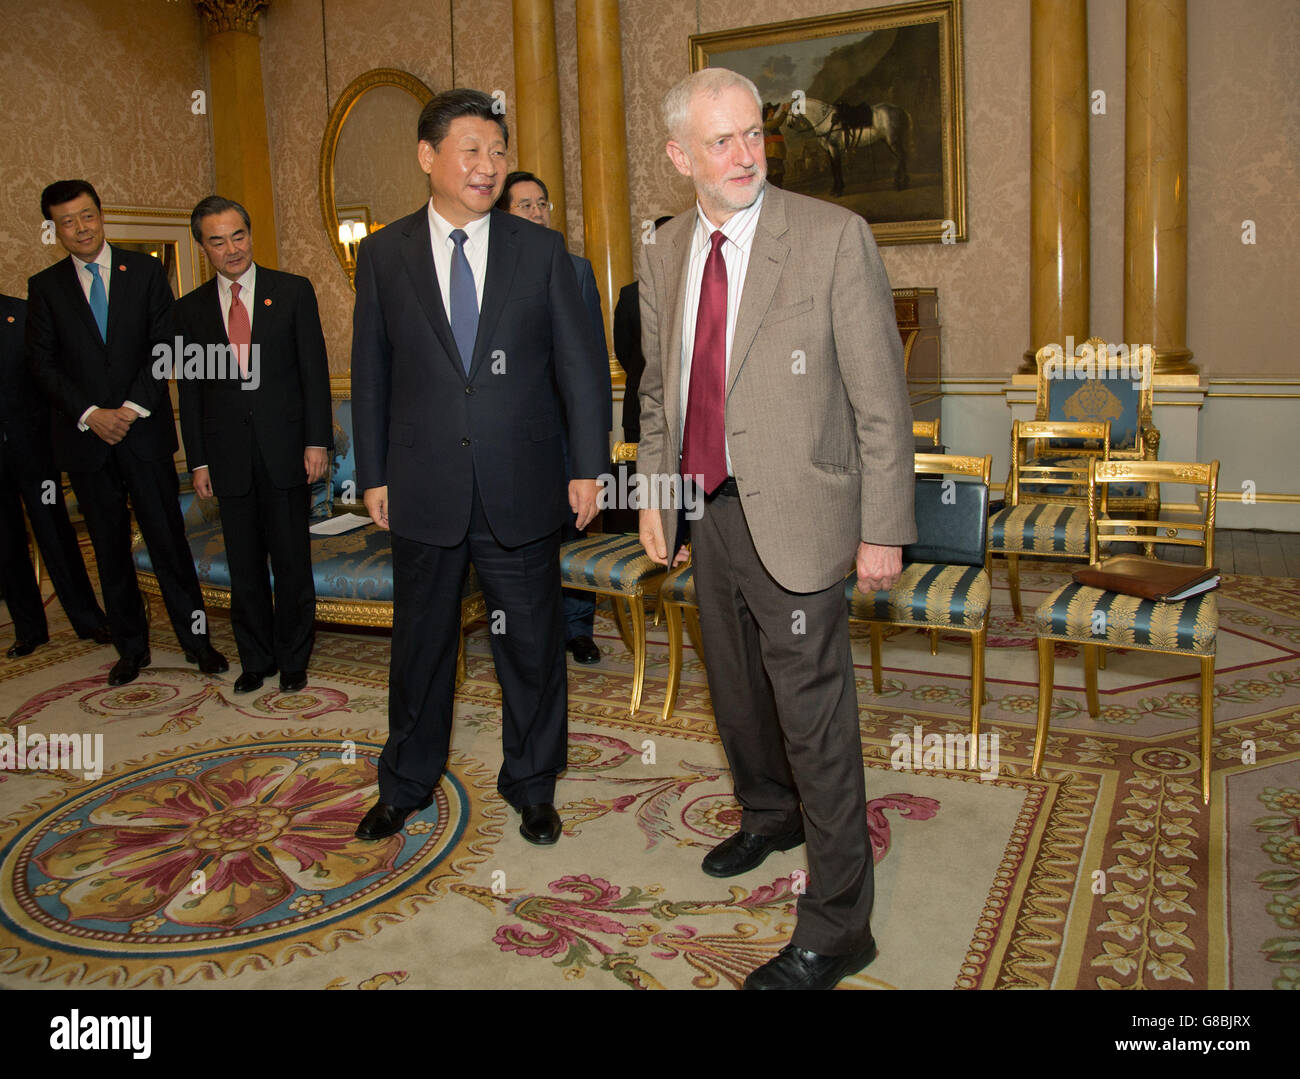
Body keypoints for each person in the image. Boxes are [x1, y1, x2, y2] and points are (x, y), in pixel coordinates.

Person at [636, 69, 915, 990]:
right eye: (722, 142)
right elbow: (656, 389)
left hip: (800, 514)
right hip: (706, 510)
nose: (747, 155)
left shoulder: (834, 237)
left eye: (754, 134)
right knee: (737, 692)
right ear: (681, 157)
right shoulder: (665, 247)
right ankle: (765, 814)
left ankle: (840, 925)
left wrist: (883, 527)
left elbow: (881, 397)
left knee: (816, 723)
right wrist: (653, 491)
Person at [351, 89, 608, 846]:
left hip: (521, 484)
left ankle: (532, 784)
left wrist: (589, 465)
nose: (489, 165)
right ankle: (404, 782)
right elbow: (371, 372)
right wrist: (373, 473)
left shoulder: (541, 250)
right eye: (471, 149)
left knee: (530, 645)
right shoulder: (385, 253)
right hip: (422, 487)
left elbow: (581, 370)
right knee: (421, 645)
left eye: (498, 150)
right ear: (427, 157)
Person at [26, 180, 228, 686]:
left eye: (87, 215)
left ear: (101, 215)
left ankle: (197, 640)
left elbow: (166, 344)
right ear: (54, 229)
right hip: (87, 441)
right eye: (67, 221)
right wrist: (93, 412)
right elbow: (42, 365)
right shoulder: (45, 287)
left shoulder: (144, 271)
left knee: (169, 543)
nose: (81, 228)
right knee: (110, 549)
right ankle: (131, 648)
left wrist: (130, 409)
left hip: (144, 435)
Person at [175, 196, 332, 695]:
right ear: (203, 247)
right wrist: (198, 459)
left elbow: (315, 374)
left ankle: (292, 659)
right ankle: (255, 659)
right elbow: (191, 392)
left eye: (238, 235)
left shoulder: (291, 292)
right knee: (242, 566)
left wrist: (317, 442)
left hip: (286, 451)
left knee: (290, 562)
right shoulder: (190, 309)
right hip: (228, 460)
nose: (231, 249)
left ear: (250, 233)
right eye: (217, 241)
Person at [496, 170, 611, 665]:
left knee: (574, 531)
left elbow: (591, 365)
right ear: (503, 216)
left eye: (542, 203)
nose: (538, 212)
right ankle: (528, 628)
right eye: (524, 205)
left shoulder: (578, 269)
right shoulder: (489, 273)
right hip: (509, 437)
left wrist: (595, 446)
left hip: (565, 434)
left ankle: (577, 628)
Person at [1, 291, 111, 657]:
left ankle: (88, 618)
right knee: (6, 544)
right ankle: (29, 629)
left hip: (33, 450)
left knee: (55, 534)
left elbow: (49, 377)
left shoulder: (22, 314)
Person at [613, 216, 673, 444]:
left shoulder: (701, 290)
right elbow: (625, 352)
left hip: (692, 415)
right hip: (641, 412)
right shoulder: (630, 296)